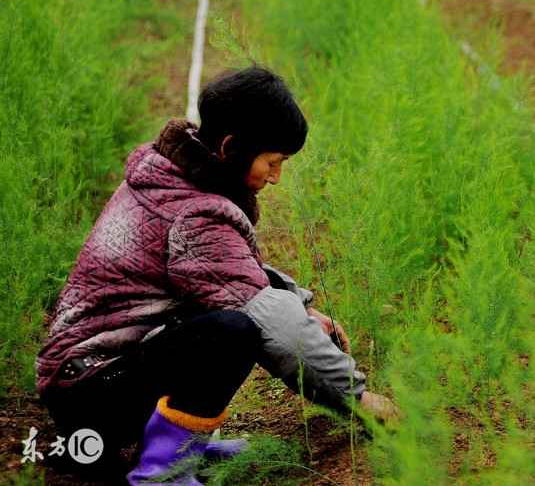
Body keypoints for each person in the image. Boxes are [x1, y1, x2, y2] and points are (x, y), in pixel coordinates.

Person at [36, 66, 396, 484]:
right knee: (230, 332)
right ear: (230, 148)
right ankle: (164, 473)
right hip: (90, 393)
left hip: (92, 376)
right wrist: (358, 398)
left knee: (234, 314)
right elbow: (270, 321)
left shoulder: (172, 177)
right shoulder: (194, 212)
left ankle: (184, 444)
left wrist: (301, 306)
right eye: (272, 162)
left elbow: (230, 271)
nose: (277, 177)